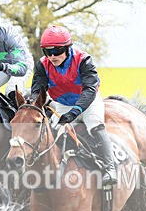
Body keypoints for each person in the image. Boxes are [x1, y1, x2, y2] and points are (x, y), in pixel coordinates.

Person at [28, 25, 116, 186]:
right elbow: (38, 90)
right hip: (62, 104)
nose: (53, 56)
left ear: (68, 48)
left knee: (96, 126)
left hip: (88, 102)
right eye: (48, 52)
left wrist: (75, 112)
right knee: (53, 133)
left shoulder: (83, 60)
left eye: (57, 51)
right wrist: (32, 104)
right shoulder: (42, 64)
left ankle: (110, 168)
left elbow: (90, 90)